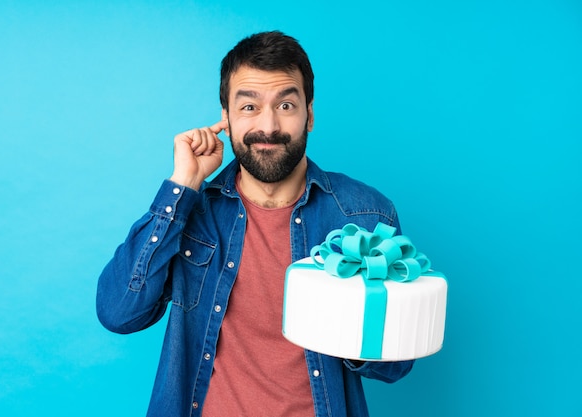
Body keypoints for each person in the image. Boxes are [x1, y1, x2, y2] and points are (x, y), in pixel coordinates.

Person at [96, 31, 414, 417]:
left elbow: (395, 363)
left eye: (285, 105)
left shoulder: (367, 216)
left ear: (309, 115)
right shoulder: (192, 212)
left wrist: (346, 319)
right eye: (249, 107)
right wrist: (182, 186)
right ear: (226, 119)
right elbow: (119, 313)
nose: (268, 125)